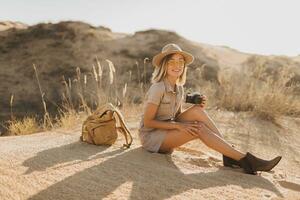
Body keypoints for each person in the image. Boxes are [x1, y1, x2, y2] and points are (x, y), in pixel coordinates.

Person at [137, 43, 282, 175]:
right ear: (164, 65)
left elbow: (177, 115)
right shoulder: (158, 88)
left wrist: (194, 107)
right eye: (172, 62)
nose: (177, 65)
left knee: (197, 111)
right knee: (198, 128)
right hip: (152, 138)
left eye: (180, 61)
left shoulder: (179, 88)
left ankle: (229, 153)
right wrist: (179, 126)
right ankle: (246, 160)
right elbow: (148, 122)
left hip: (167, 130)